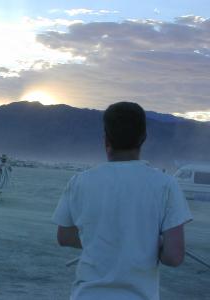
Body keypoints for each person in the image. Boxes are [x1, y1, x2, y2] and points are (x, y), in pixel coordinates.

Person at [52, 102, 192, 300]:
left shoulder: (80, 182)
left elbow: (64, 236)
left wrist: (101, 239)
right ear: (143, 137)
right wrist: (147, 243)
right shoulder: (165, 184)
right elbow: (174, 256)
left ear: (106, 139)